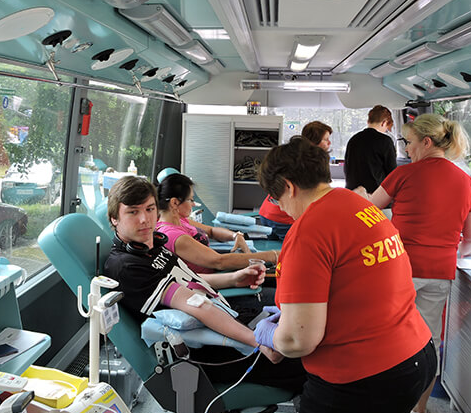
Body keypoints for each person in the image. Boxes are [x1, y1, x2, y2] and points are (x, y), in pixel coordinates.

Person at [254, 136, 436, 413]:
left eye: (277, 199)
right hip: (412, 359)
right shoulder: (358, 204)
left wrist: (271, 333)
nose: (282, 209)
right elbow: (356, 283)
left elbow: (298, 340)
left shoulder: (309, 229)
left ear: (288, 187)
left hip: (362, 380)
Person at [104, 176, 306, 391]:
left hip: (224, 320)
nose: (145, 219)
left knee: (301, 327)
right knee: (306, 359)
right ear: (114, 218)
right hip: (204, 352)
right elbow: (195, 303)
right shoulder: (127, 266)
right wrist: (259, 341)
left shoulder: (150, 245)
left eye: (150, 209)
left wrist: (234, 279)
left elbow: (186, 282)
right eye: (133, 212)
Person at [355, 113, 471, 413]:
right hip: (440, 273)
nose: (407, 149)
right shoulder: (467, 182)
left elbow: (369, 209)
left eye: (409, 142)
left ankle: (382, 405)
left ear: (426, 142)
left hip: (400, 271)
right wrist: (450, 252)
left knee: (387, 335)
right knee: (427, 341)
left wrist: (359, 196)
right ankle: (420, 409)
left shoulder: (404, 174)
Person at [156, 173, 279, 273]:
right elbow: (219, 262)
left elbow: (211, 231)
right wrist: (272, 256)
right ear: (174, 203)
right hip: (214, 283)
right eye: (191, 200)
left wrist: (235, 236)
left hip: (223, 272)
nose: (193, 204)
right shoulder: (174, 236)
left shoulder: (180, 220)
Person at [258, 120, 333, 239]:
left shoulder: (293, 159)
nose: (329, 143)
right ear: (314, 141)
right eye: (326, 139)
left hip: (266, 213)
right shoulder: (309, 166)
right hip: (280, 220)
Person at [344, 104, 397, 193]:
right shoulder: (385, 140)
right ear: (384, 122)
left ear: (368, 121)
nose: (385, 131)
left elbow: (347, 168)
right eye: (386, 128)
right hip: (375, 193)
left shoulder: (354, 139)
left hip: (353, 192)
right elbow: (392, 172)